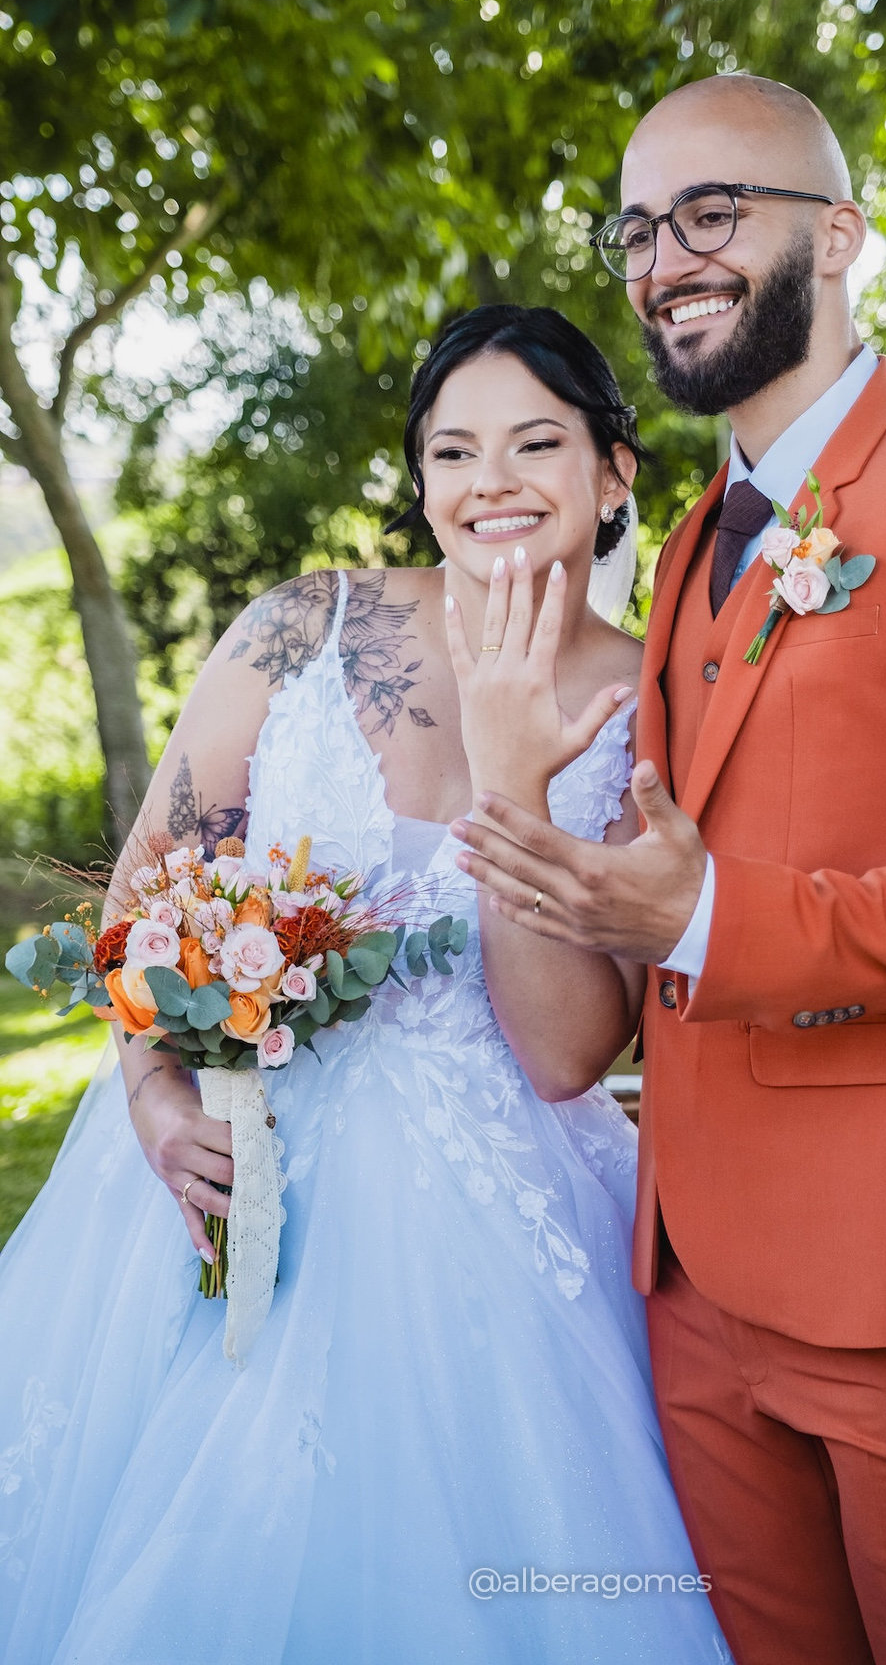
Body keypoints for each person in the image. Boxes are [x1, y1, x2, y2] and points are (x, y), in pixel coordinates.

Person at [453, 75, 886, 1665]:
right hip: (697, 1290)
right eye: (639, 227)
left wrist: (702, 917)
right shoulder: (697, 540)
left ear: (838, 234)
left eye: (712, 212)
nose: (666, 257)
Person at [0, 305, 733, 1665]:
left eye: (535, 443)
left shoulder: (654, 708)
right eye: (451, 452)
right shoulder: (303, 627)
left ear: (614, 470)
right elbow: (147, 896)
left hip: (497, 1208)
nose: (488, 483)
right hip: (221, 1155)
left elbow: (569, 1056)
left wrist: (515, 780)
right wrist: (159, 1102)